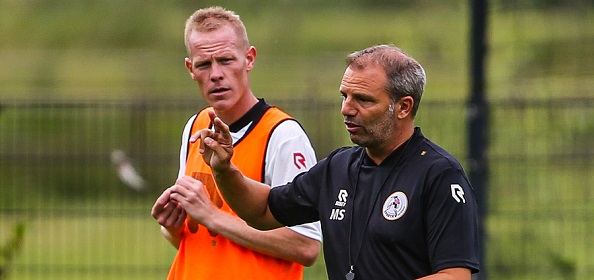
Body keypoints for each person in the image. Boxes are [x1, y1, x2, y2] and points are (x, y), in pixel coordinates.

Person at [176, 44, 481, 279]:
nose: (347, 109)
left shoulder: (439, 175)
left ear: (403, 107)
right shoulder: (338, 167)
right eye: (344, 96)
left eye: (363, 100)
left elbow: (454, 274)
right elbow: (263, 210)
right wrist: (225, 169)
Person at [150, 6, 322, 280]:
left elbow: (306, 245)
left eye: (226, 60)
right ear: (190, 68)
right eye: (204, 64)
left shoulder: (282, 135)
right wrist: (172, 226)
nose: (216, 74)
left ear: (249, 58)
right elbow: (204, 242)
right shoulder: (195, 126)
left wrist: (212, 216)